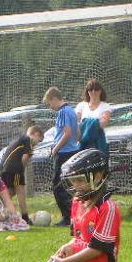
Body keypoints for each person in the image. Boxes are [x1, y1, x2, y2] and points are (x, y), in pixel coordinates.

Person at [43, 86, 81, 227]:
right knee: (70, 186)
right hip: (73, 151)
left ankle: (67, 217)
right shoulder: (71, 110)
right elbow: (78, 133)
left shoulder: (62, 112)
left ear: (54, 99)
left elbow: (67, 133)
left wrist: (55, 149)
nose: (50, 107)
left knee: (58, 187)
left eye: (49, 103)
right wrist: (76, 145)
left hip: (64, 153)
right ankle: (74, 216)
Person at [0, 125, 44, 224]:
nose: (37, 144)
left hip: (4, 168)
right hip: (15, 168)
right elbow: (25, 158)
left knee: (10, 192)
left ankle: (2, 213)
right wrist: (21, 171)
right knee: (20, 191)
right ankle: (25, 217)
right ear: (36, 134)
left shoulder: (20, 139)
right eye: (39, 140)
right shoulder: (28, 140)